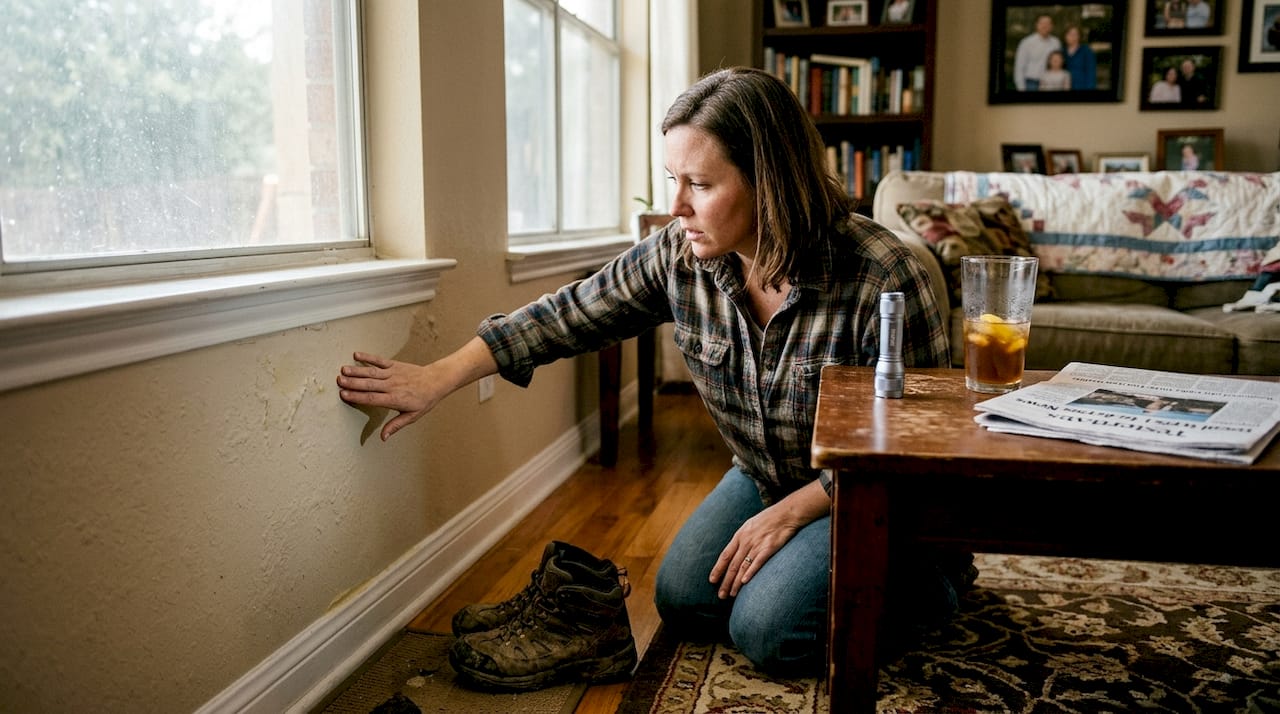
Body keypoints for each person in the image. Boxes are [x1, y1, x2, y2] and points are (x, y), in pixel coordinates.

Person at [336, 67, 965, 683]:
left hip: (866, 496)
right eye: (673, 179)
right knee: (685, 598)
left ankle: (929, 581)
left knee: (766, 632)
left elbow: (915, 449)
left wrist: (799, 512)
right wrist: (437, 377)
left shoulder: (884, 276)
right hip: (767, 475)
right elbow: (570, 314)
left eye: (700, 183)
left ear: (769, 181)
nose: (678, 206)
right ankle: (814, 571)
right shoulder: (679, 255)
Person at [1013, 14, 1062, 91]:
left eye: (1048, 24)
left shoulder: (1056, 42)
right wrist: (1021, 88)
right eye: (1042, 23)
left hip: (1051, 83)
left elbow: (1059, 64)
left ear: (1052, 26)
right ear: (1037, 25)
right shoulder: (1026, 42)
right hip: (1031, 83)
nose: (1044, 26)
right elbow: (1019, 67)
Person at [1062, 25, 1097, 90]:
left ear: (1079, 36)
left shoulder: (1086, 51)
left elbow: (1091, 72)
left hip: (1082, 86)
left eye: (1075, 34)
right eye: (1069, 34)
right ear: (1065, 36)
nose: (1072, 37)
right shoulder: (1062, 51)